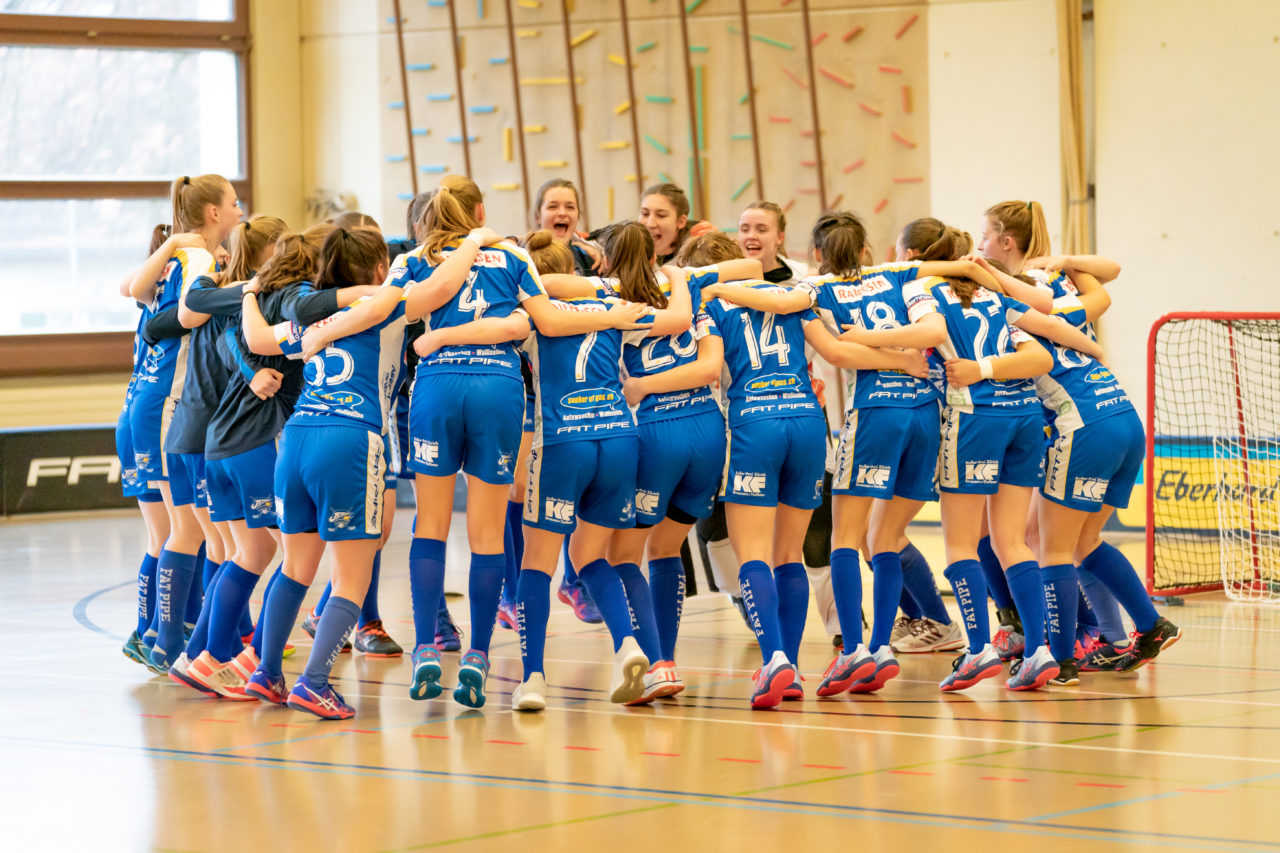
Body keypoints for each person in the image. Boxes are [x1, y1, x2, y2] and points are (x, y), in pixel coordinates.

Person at [844, 221, 1103, 692]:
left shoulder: (919, 290)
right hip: (1024, 417)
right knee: (1011, 542)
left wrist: (860, 337)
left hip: (974, 418)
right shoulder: (993, 294)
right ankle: (1041, 651)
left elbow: (920, 333)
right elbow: (1047, 338)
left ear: (918, 256)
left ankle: (979, 649)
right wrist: (1092, 347)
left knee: (961, 544)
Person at [685, 234, 931, 708]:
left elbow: (707, 368)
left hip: (753, 423)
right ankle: (791, 666)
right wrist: (904, 363)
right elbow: (838, 354)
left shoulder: (706, 302)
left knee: (752, 553)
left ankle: (777, 659)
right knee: (790, 555)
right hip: (807, 423)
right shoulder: (789, 297)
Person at [127, 174, 240, 671]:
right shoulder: (196, 258)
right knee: (187, 530)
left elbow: (133, 289)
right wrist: (242, 293)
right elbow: (192, 312)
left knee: (177, 530)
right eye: (234, 203)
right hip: (167, 403)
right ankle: (167, 640)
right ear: (213, 213)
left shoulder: (180, 256)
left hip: (148, 401)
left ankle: (159, 631)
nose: (240, 210)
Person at [638, 183, 714, 265]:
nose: (650, 224)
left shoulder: (699, 249)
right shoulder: (630, 245)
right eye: (645, 213)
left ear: (680, 221)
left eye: (661, 215)